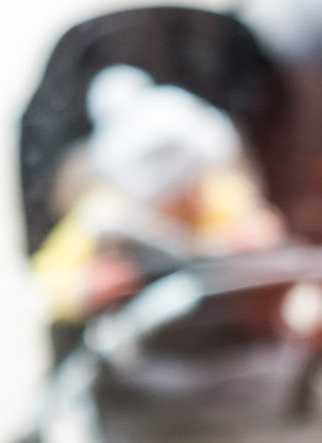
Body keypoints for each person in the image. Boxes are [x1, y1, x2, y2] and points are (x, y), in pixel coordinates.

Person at [32, 64, 284, 325]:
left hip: (226, 322)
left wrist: (261, 235)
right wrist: (87, 288)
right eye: (181, 195)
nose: (197, 199)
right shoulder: (104, 215)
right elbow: (44, 286)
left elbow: (260, 223)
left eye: (194, 185)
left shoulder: (216, 190)